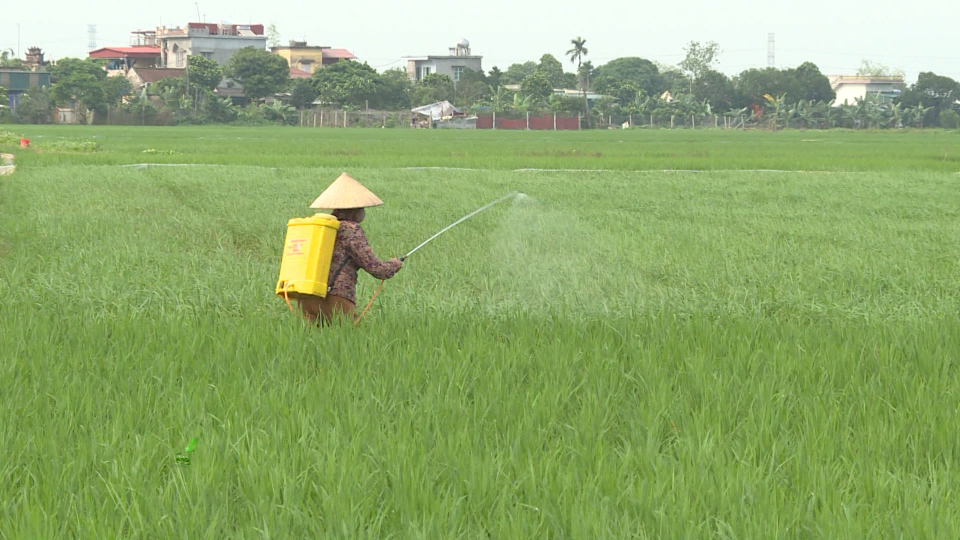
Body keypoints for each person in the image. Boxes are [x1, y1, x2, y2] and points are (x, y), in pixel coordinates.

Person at [297, 173, 402, 326]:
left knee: (316, 344)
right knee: (349, 343)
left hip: (306, 295)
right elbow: (376, 268)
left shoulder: (321, 227)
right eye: (362, 209)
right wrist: (394, 265)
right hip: (335, 296)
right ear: (355, 210)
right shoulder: (351, 229)